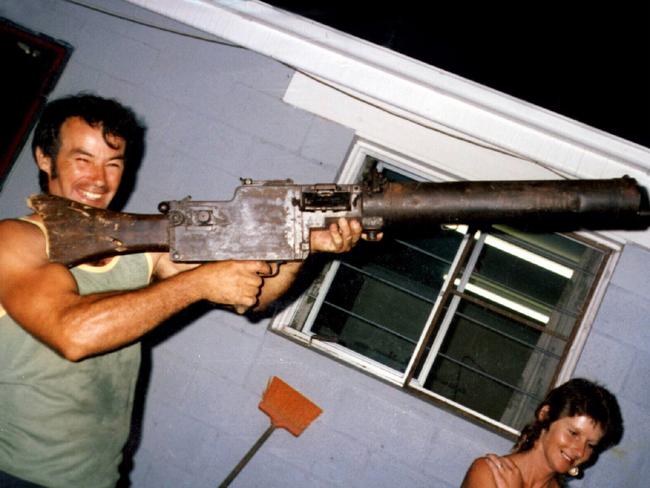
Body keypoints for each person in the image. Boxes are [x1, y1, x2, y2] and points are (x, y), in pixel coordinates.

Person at [0, 94, 368, 487]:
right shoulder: (14, 240)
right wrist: (198, 283)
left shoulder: (136, 247)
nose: (99, 179)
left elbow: (255, 295)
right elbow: (73, 335)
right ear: (44, 157)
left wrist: (303, 246)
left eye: (113, 163)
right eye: (82, 159)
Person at [461, 378, 623, 488]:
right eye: (573, 433)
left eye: (590, 445)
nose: (580, 451)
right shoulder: (488, 472)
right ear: (545, 415)